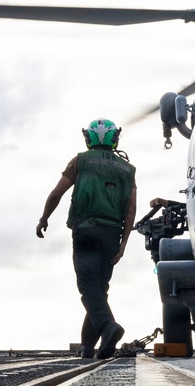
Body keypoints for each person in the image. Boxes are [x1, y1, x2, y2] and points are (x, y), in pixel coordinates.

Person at [36, 118, 137, 359]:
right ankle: (89, 348)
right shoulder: (128, 169)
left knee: (88, 288)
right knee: (98, 290)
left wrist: (44, 219)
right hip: (112, 234)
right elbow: (131, 209)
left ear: (88, 137)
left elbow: (55, 194)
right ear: (115, 138)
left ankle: (108, 327)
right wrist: (123, 244)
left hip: (86, 231)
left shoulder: (80, 161)